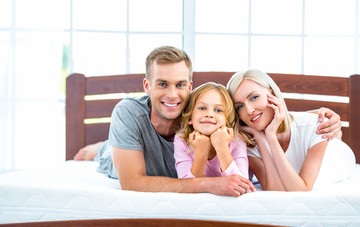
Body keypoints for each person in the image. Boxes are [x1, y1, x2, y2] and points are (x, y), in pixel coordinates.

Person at [74, 46, 343, 197]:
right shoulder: (129, 113)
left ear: (190, 86)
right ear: (147, 85)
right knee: (108, 154)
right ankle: (104, 146)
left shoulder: (197, 110)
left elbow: (259, 116)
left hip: (180, 169)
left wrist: (325, 116)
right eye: (162, 84)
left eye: (180, 85)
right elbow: (131, 182)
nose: (172, 95)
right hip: (124, 158)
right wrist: (212, 184)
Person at [227, 69, 355, 191]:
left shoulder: (314, 125)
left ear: (272, 94)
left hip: (337, 159)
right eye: (240, 106)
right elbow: (274, 190)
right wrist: (263, 138)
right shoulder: (249, 143)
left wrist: (271, 135)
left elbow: (301, 189)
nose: (249, 110)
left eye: (254, 97)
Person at [174, 82, 249, 180]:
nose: (209, 114)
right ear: (189, 117)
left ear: (227, 119)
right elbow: (186, 186)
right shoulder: (182, 139)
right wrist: (201, 151)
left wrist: (222, 147)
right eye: (202, 108)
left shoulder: (237, 140)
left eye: (218, 110)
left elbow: (242, 185)